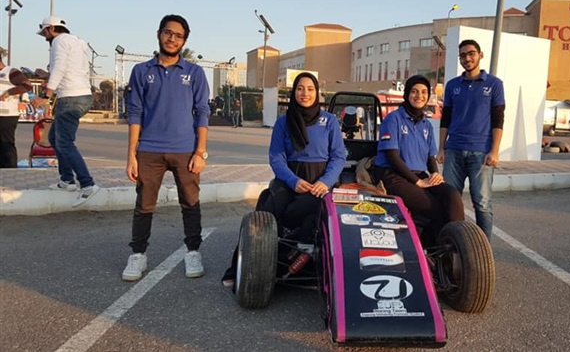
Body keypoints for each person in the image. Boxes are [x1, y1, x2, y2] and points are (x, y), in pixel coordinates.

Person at [221, 72, 346, 287]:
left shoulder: (330, 121)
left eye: (310, 89)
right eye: (300, 88)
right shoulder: (283, 122)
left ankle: (283, 259)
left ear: (317, 93)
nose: (305, 93)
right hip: (290, 178)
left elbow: (338, 156)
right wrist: (293, 181)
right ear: (293, 92)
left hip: (320, 182)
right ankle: (240, 266)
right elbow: (277, 158)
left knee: (311, 209)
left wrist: (325, 182)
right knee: (265, 211)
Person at [121, 14, 211, 282]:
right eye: (168, 33)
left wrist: (200, 152)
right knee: (144, 204)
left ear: (184, 41)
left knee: (190, 203)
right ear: (159, 34)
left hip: (186, 150)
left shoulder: (194, 73)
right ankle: (138, 255)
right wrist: (131, 155)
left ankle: (193, 252)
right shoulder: (141, 71)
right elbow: (135, 113)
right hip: (149, 150)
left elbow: (202, 113)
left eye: (179, 35)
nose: (172, 39)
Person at [373, 75, 464, 241]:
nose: (419, 96)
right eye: (414, 91)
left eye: (423, 92)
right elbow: (392, 157)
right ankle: (433, 246)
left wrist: (435, 174)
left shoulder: (426, 124)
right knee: (435, 207)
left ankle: (459, 243)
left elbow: (430, 156)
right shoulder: (393, 119)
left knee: (452, 196)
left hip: (418, 174)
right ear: (407, 94)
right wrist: (418, 182)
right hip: (393, 175)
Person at [436, 39, 505, 240]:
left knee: (482, 204)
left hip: (481, 153)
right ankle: (452, 245)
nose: (467, 58)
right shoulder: (452, 85)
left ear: (480, 55)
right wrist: (441, 149)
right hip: (454, 150)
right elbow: (445, 119)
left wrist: (494, 150)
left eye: (471, 53)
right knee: (450, 200)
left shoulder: (494, 84)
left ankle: (483, 248)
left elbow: (498, 119)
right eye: (463, 55)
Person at [31, 16, 99, 206]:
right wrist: (47, 75)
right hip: (82, 96)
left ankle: (88, 185)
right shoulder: (78, 42)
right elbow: (71, 70)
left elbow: (60, 67)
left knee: (65, 143)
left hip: (70, 98)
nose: (45, 36)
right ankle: (67, 180)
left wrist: (46, 95)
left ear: (52, 28)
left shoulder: (58, 41)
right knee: (54, 138)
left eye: (45, 32)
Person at [0, 47, 33, 168]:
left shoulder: (11, 72)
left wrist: (10, 92)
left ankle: (11, 170)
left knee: (6, 144)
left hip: (7, 115)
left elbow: (27, 85)